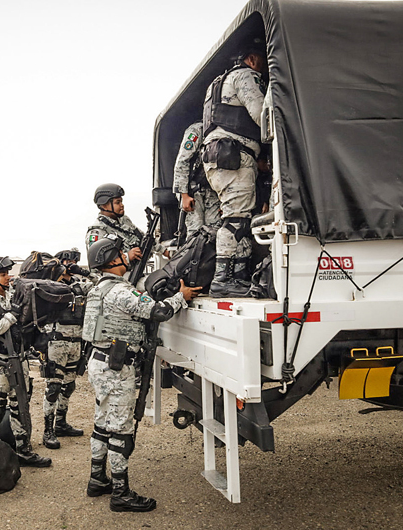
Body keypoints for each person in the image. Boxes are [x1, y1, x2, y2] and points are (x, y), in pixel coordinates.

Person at [83, 235, 200, 512]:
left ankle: (98, 478)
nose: (125, 256)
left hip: (100, 363)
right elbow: (158, 311)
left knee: (103, 423)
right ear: (111, 260)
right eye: (120, 253)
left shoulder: (97, 289)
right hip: (116, 367)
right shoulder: (120, 291)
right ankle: (120, 493)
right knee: (121, 429)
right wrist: (180, 298)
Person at [201, 39, 268, 297]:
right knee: (235, 220)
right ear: (251, 59)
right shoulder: (245, 76)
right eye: (260, 61)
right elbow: (262, 114)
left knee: (239, 218)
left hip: (221, 156)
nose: (261, 68)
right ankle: (223, 280)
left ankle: (237, 277)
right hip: (234, 156)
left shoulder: (217, 84)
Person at [0, 256, 51, 467]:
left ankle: (23, 450)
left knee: (20, 408)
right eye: (4, 274)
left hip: (19, 362)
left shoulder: (13, 298)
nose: (8, 278)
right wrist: (11, 316)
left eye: (8, 273)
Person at [38, 255, 92, 450]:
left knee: (69, 386)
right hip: (56, 342)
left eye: (71, 263)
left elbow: (100, 283)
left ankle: (60, 423)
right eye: (65, 263)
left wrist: (82, 271)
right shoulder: (49, 287)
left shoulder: (79, 286)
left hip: (76, 342)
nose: (69, 266)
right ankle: (48, 430)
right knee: (53, 387)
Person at [85, 184, 166, 268]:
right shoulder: (97, 231)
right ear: (104, 205)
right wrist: (127, 257)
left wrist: (164, 251)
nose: (122, 205)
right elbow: (96, 264)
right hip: (116, 279)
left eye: (121, 201)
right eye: (117, 202)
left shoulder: (124, 220)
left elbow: (143, 238)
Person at [173, 121, 221, 237]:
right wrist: (184, 195)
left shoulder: (222, 131)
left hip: (213, 191)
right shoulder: (197, 130)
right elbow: (182, 161)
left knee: (214, 233)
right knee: (195, 234)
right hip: (193, 191)